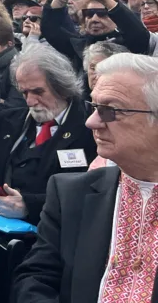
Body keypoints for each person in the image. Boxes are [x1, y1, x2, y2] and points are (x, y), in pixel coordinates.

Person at [12, 53, 158, 301]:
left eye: (110, 111)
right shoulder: (70, 194)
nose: (91, 122)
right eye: (93, 108)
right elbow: (35, 278)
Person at [0, 42, 95, 225]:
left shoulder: (90, 127)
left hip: (55, 232)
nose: (30, 101)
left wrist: (29, 205)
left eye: (38, 92)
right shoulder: (7, 121)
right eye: (24, 92)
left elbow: (88, 193)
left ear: (61, 86)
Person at [43, 0, 151, 63]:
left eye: (102, 14)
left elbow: (138, 32)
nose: (94, 19)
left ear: (115, 18)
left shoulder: (130, 44)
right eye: (89, 14)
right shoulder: (78, 47)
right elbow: (51, 29)